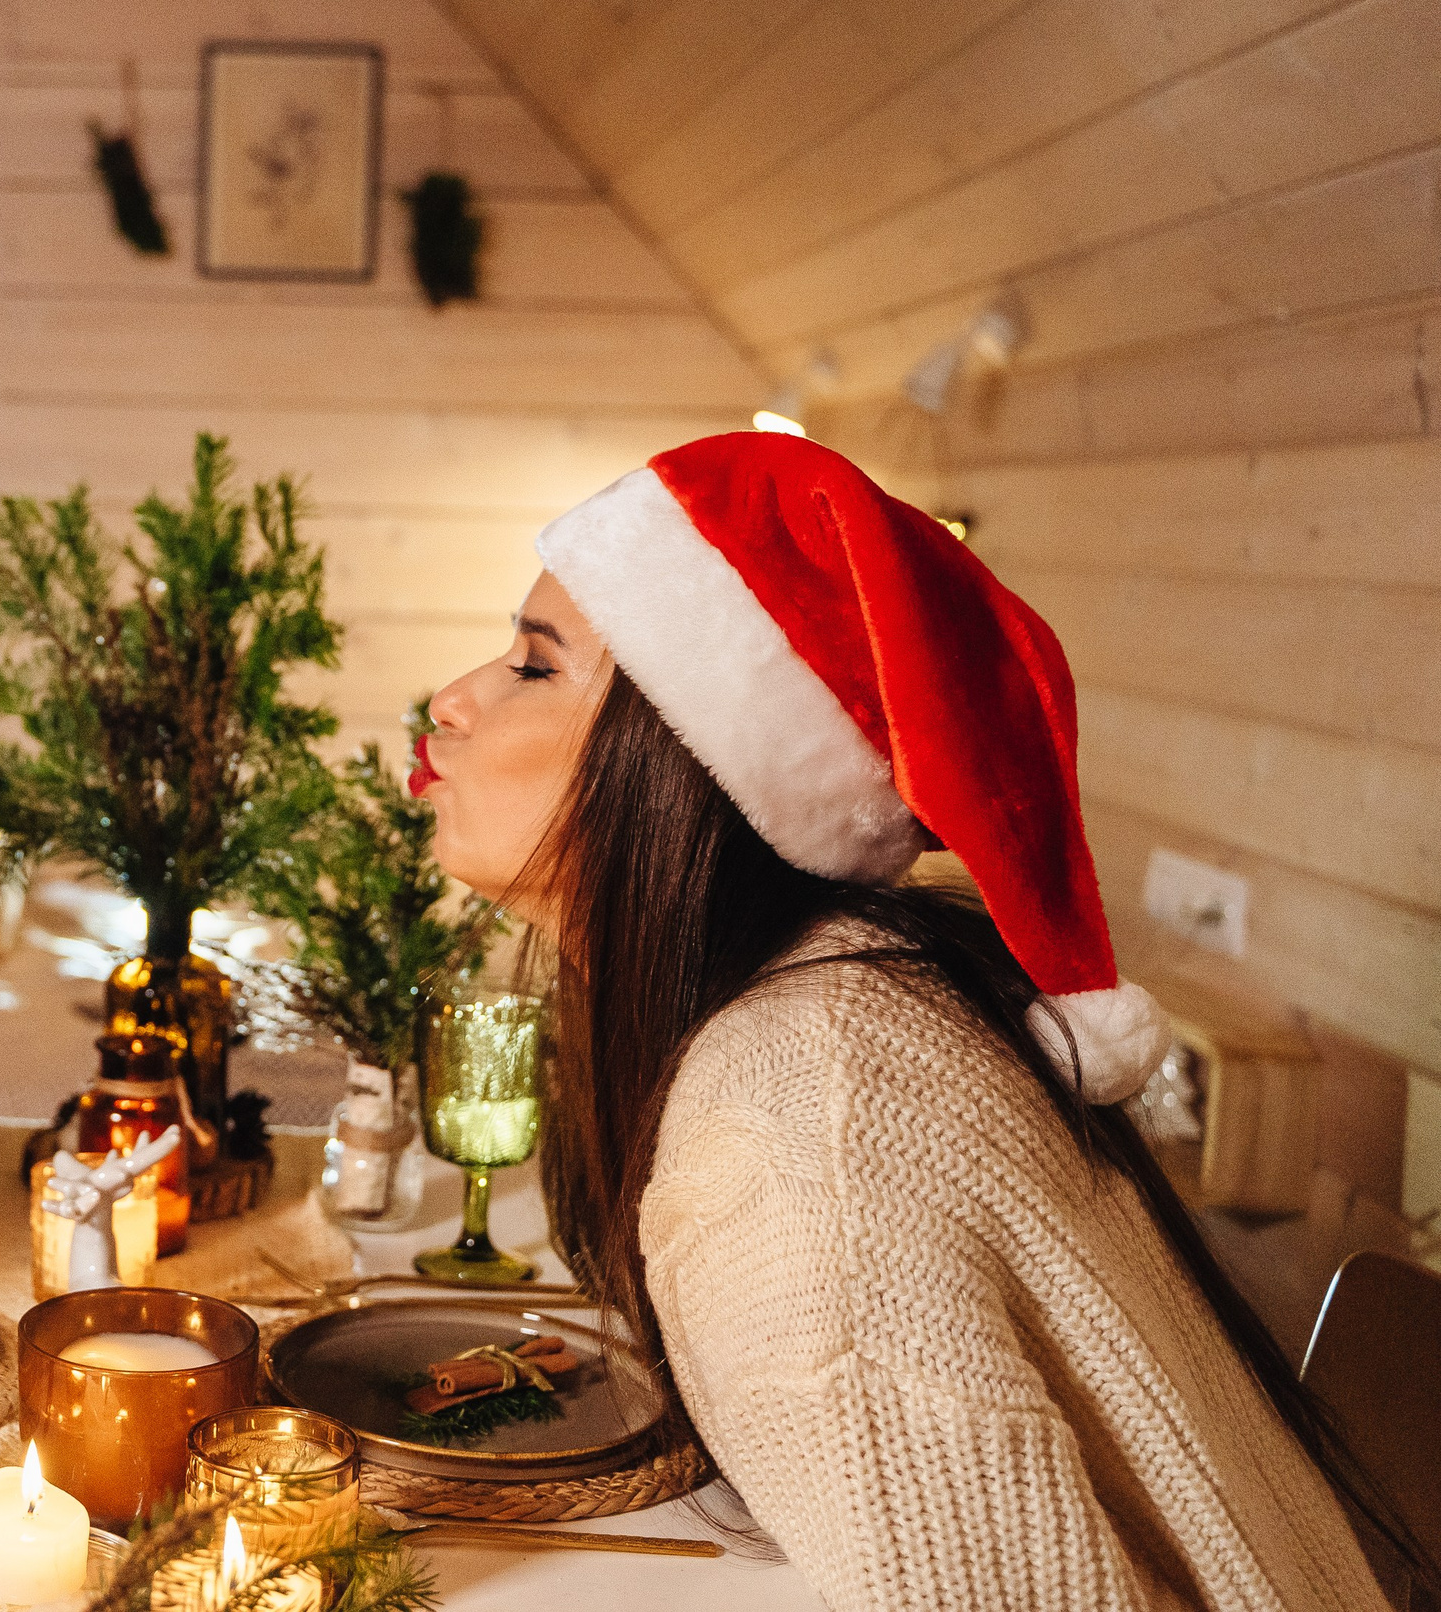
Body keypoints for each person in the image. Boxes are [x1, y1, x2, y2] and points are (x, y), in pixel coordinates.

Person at [413, 433, 1418, 1610]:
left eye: (534, 668)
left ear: (689, 764)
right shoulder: (833, 993)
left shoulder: (794, 1128)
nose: (455, 696)